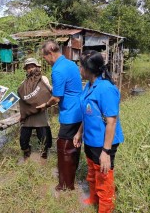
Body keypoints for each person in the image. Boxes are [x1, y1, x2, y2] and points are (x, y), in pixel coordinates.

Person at [73, 50, 124, 212]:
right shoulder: (89, 86)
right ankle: (93, 198)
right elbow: (88, 114)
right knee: (92, 172)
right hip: (90, 140)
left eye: (81, 66)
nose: (79, 70)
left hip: (103, 143)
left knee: (104, 178)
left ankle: (106, 208)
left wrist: (106, 151)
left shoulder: (106, 89)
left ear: (88, 69)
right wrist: (79, 132)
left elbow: (111, 122)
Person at [37, 41, 82, 191]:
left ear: (50, 53)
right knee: (75, 146)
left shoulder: (57, 70)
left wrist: (45, 105)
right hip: (79, 111)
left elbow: (56, 97)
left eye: (45, 58)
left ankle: (65, 185)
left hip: (70, 113)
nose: (46, 62)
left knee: (64, 148)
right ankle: (71, 179)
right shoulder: (70, 64)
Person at [17, 58, 53, 160]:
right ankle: (27, 151)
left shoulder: (43, 79)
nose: (30, 69)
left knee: (44, 139)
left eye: (32, 66)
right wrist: (22, 114)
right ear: (26, 70)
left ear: (37, 67)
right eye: (28, 68)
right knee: (23, 140)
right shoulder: (24, 82)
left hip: (40, 113)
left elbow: (49, 90)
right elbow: (22, 98)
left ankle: (43, 155)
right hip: (28, 115)